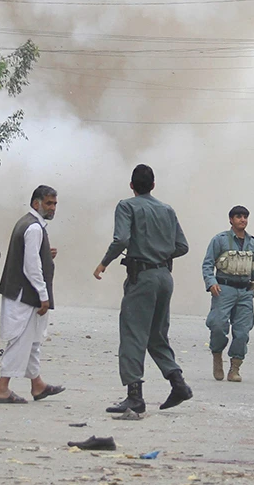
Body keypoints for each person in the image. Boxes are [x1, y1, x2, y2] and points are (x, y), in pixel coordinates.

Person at [94, 165, 192, 415]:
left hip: (142, 277)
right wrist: (159, 252)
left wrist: (104, 262)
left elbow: (122, 240)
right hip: (164, 277)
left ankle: (134, 396)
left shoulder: (127, 206)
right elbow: (182, 246)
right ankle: (177, 382)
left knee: (133, 334)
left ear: (131, 185)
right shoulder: (167, 210)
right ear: (154, 185)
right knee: (157, 335)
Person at [0, 185, 64, 404]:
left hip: (24, 294)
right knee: (20, 340)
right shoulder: (33, 228)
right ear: (36, 204)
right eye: (49, 203)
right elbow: (31, 267)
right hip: (25, 296)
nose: (53, 208)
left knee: (32, 341)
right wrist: (44, 295)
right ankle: (2, 389)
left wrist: (46, 252)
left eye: (54, 204)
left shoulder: (31, 225)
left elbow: (32, 255)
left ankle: (37, 385)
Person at [202, 205, 254, 382]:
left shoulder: (252, 242)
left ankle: (235, 367)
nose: (242, 220)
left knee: (242, 332)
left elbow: (252, 269)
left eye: (245, 217)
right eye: (238, 217)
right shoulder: (219, 240)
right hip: (223, 289)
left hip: (245, 291)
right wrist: (211, 283)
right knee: (218, 326)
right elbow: (207, 264)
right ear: (231, 220)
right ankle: (217, 356)